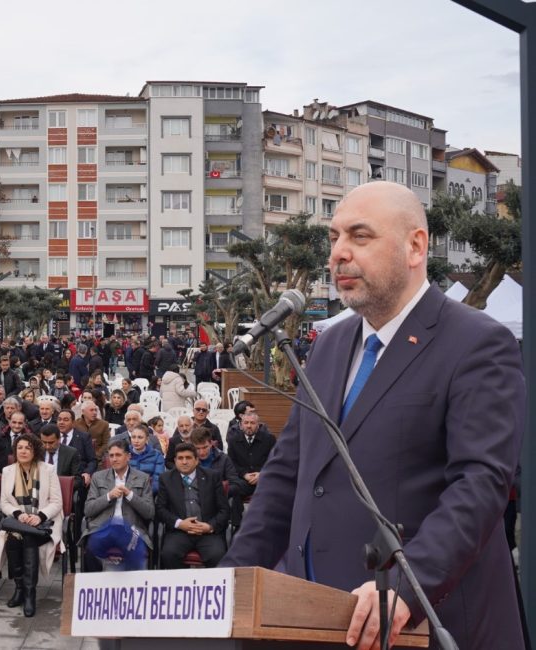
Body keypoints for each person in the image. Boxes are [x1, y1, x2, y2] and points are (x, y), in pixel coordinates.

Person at [220, 181, 525, 649]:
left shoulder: (477, 344)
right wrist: (225, 585)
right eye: (334, 238)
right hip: (314, 621)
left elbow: (480, 484)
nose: (339, 253)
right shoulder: (328, 348)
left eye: (360, 237)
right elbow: (286, 477)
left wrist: (407, 586)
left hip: (420, 624)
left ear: (415, 246)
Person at [0, 434, 63, 618]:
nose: (23, 451)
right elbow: (4, 502)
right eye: (20, 447)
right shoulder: (8, 471)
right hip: (18, 521)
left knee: (29, 537)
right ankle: (20, 588)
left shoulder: (48, 470)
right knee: (15, 537)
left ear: (35, 450)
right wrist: (19, 514)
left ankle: (29, 593)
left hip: (44, 522)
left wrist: (39, 516)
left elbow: (57, 502)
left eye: (27, 448)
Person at [81, 440, 155, 572]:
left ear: (128, 456)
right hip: (103, 529)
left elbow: (149, 512)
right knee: (91, 551)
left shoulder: (142, 478)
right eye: (111, 455)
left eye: (118, 455)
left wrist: (130, 495)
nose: (114, 459)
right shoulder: (98, 477)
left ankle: (129, 589)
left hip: (131, 530)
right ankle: (95, 588)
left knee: (133, 554)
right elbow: (88, 510)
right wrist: (109, 496)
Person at [156, 443, 230, 569]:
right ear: (175, 461)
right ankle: (180, 587)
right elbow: (160, 509)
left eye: (188, 458)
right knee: (168, 554)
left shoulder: (212, 477)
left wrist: (209, 526)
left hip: (208, 532)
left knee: (217, 556)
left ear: (196, 460)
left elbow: (224, 510)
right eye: (180, 458)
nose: (184, 462)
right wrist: (180, 523)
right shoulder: (166, 478)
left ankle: (209, 587)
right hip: (179, 532)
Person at [223, 411, 274, 503]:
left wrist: (262, 474)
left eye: (252, 423)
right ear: (241, 425)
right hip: (243, 481)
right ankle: (235, 517)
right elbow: (232, 463)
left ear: (258, 425)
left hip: (265, 480)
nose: (249, 426)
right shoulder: (233, 441)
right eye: (246, 423)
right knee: (232, 491)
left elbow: (274, 461)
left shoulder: (269, 439)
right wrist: (244, 474)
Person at [127, 426, 165, 493]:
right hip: (127, 493)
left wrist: (146, 493)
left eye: (140, 437)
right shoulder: (125, 453)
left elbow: (157, 480)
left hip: (149, 495)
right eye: (133, 437)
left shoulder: (156, 455)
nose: (136, 441)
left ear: (147, 439)